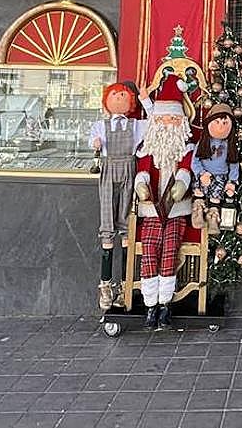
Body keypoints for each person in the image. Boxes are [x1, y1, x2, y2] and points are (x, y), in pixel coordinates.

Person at [132, 73, 195, 330]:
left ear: (180, 120)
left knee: (170, 251)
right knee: (150, 249)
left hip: (175, 210)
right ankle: (151, 305)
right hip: (152, 210)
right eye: (163, 118)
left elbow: (186, 168)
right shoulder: (149, 146)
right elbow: (143, 170)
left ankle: (165, 304)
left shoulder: (185, 146)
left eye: (172, 118)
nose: (168, 123)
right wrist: (141, 186)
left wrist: (181, 183)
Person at [89, 80, 150, 311]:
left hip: (128, 169)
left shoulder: (136, 125)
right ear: (106, 100)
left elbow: (155, 120)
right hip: (108, 169)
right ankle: (105, 284)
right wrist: (95, 144)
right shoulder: (100, 125)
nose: (118, 99)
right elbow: (93, 142)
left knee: (126, 223)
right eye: (114, 95)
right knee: (107, 223)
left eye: (123, 95)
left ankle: (126, 284)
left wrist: (145, 99)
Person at [190, 102, 240, 232]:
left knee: (215, 198)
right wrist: (201, 173)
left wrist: (231, 181)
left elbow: (234, 164)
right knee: (199, 192)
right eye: (216, 122)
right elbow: (194, 162)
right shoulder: (203, 143)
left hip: (220, 177)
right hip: (204, 175)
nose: (220, 127)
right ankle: (198, 212)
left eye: (225, 123)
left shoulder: (229, 145)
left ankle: (213, 217)